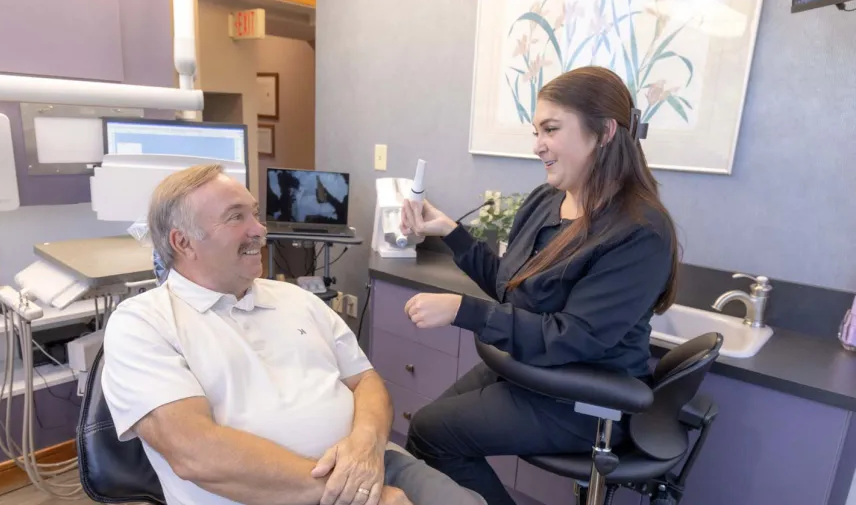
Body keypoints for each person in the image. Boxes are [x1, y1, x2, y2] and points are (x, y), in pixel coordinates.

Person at [101, 165, 485, 505]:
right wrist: (357, 493)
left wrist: (367, 445)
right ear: (183, 242)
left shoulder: (297, 298)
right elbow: (195, 454)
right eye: (235, 218)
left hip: (372, 465)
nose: (260, 229)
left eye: (254, 213)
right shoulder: (143, 324)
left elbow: (366, 381)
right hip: (271, 494)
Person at [398, 66, 680, 505]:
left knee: (433, 434)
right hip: (528, 369)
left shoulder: (639, 231)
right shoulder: (546, 201)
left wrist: (462, 310)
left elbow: (572, 336)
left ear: (604, 132)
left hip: (580, 395)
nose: (537, 145)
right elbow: (511, 288)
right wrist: (450, 232)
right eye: (536, 131)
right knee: (426, 434)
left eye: (550, 129)